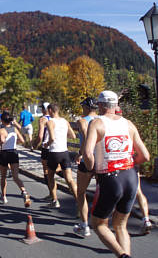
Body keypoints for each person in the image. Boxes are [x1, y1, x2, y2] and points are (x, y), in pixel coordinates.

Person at [84, 91, 150, 258]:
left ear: (99, 105)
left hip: (110, 178)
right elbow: (145, 156)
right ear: (115, 105)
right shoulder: (128, 124)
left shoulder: (97, 123)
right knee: (121, 225)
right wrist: (126, 162)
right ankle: (125, 254)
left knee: (98, 223)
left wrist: (92, 168)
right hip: (130, 177)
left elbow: (87, 153)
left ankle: (122, 255)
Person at [115, 106, 152, 235]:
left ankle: (117, 221)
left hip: (118, 165)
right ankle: (146, 219)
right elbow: (144, 154)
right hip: (131, 162)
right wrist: (134, 160)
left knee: (118, 193)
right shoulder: (129, 125)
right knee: (138, 192)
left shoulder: (111, 126)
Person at [73, 97, 98, 238]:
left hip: (87, 159)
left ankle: (84, 225)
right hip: (101, 160)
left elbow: (87, 138)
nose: (82, 109)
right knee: (103, 193)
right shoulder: (102, 120)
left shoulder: (82, 121)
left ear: (87, 107)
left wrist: (80, 154)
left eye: (83, 106)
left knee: (81, 193)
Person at [0, 111, 31, 208]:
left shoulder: (2, 130)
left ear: (2, 120)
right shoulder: (14, 129)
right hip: (14, 153)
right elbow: (22, 140)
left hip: (4, 153)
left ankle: (4, 196)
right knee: (15, 176)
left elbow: (2, 140)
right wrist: (14, 141)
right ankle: (24, 192)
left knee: (3, 176)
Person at [45, 103, 78, 208]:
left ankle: (55, 200)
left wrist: (46, 144)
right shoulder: (65, 121)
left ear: (50, 110)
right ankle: (79, 201)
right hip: (64, 152)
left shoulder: (50, 122)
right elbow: (73, 135)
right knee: (69, 179)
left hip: (54, 152)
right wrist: (63, 135)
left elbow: (52, 138)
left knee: (50, 176)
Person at [33, 102, 53, 199]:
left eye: (42, 108)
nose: (41, 110)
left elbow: (40, 136)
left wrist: (35, 145)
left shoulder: (43, 119)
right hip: (56, 147)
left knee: (46, 171)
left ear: (45, 109)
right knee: (55, 169)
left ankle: (51, 194)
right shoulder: (55, 119)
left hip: (46, 147)